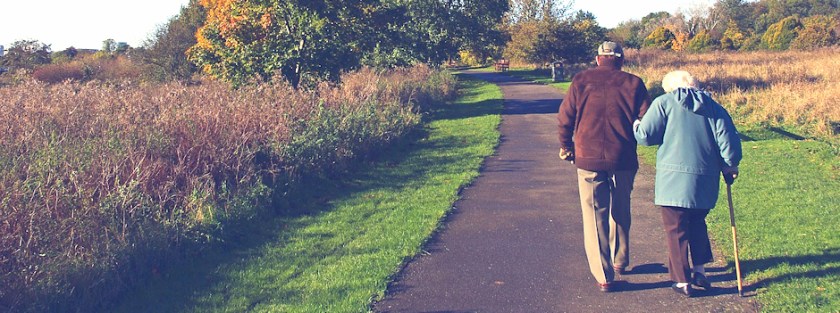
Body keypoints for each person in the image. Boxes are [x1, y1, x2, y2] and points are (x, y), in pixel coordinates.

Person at [633, 70, 742, 297]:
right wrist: (730, 165)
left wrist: (635, 124)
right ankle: (700, 271)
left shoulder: (664, 103)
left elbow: (645, 136)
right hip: (705, 179)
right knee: (697, 222)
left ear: (670, 88)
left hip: (672, 180)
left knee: (676, 229)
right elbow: (728, 144)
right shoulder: (715, 107)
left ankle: (682, 280)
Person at [557, 41, 651, 292]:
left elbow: (565, 117)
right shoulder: (634, 83)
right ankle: (620, 260)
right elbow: (646, 120)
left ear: (598, 59)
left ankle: (604, 275)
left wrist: (566, 146)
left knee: (594, 215)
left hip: (588, 157)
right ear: (621, 60)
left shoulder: (580, 80)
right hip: (623, 157)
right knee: (621, 207)